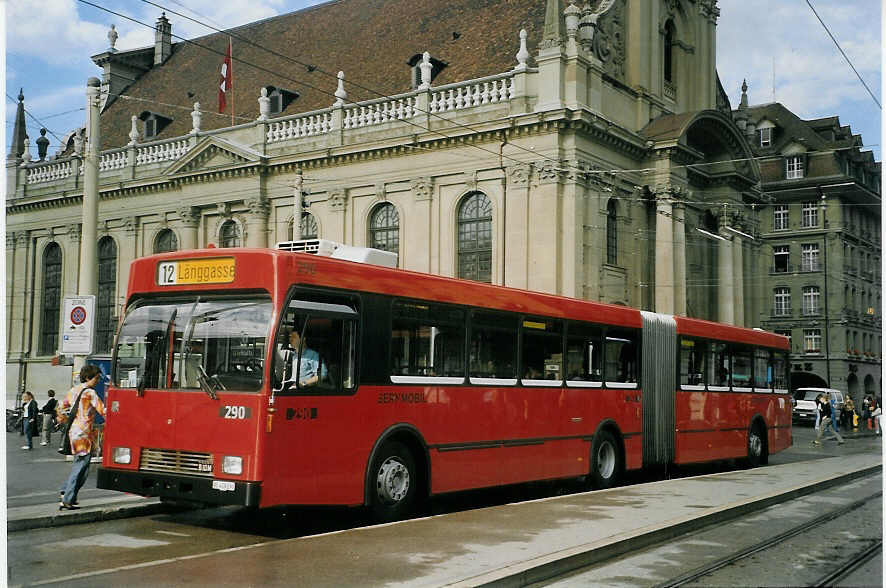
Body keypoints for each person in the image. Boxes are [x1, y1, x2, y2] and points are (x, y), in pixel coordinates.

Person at [57, 365, 106, 510]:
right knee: (81, 467)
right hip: (83, 434)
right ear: (87, 377)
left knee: (82, 467)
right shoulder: (90, 393)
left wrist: (64, 420)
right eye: (96, 378)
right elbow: (103, 411)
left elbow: (61, 407)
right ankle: (67, 498)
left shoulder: (73, 390)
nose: (98, 381)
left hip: (74, 432)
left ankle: (66, 491)